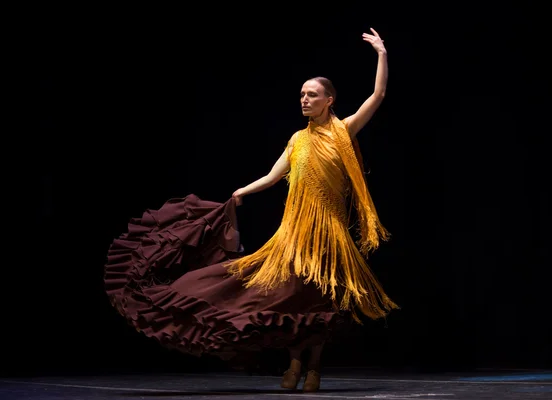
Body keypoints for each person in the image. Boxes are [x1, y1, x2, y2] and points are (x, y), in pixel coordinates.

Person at [104, 27, 397, 393]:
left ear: (330, 99)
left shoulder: (344, 131)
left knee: (321, 298)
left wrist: (381, 53)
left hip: (329, 233)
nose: (304, 100)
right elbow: (274, 176)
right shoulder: (297, 139)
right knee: (291, 294)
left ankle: (315, 368)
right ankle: (294, 363)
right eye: (302, 95)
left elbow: (379, 94)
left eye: (312, 95)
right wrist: (243, 190)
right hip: (294, 233)